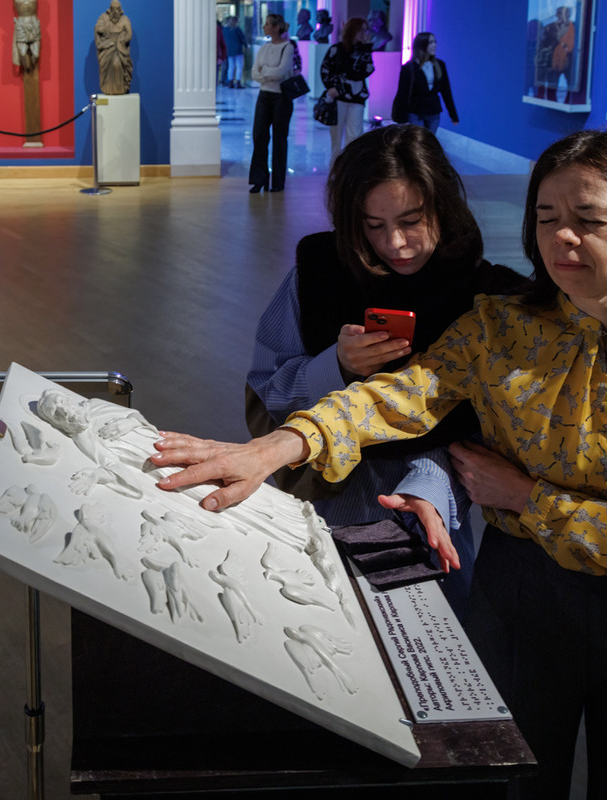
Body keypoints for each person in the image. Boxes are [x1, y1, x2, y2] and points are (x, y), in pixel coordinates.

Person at [153, 129, 607, 799]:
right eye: (546, 218)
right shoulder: (500, 326)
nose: (562, 238)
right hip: (518, 593)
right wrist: (271, 448)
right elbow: (397, 398)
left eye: (589, 219)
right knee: (505, 777)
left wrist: (528, 499)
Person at [246, 124, 528, 612]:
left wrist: (429, 484)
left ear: (444, 205)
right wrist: (334, 366)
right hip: (319, 509)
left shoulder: (488, 298)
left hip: (427, 522)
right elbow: (264, 390)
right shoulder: (319, 273)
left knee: (417, 644)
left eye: (412, 220)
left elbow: (488, 434)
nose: (395, 243)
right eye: (373, 226)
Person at [248, 14, 297, 194]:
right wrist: (267, 74)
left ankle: (278, 181)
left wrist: (265, 72)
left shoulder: (287, 47)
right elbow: (254, 72)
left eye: (267, 24)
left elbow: (281, 71)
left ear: (276, 28)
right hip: (264, 95)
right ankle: (259, 179)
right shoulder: (264, 48)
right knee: (259, 136)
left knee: (279, 139)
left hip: (281, 98)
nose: (264, 26)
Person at [321, 18, 374, 164]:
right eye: (361, 30)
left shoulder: (364, 51)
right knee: (336, 137)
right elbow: (326, 69)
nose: (364, 34)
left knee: (354, 135)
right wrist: (331, 87)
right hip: (338, 97)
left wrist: (367, 50)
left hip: (357, 97)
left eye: (365, 30)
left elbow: (366, 70)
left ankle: (350, 168)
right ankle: (335, 168)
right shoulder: (337, 49)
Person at [392, 32, 458, 132]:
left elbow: (446, 91)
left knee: (429, 139)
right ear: (422, 45)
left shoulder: (440, 65)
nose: (434, 45)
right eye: (431, 42)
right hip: (415, 112)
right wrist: (401, 118)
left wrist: (453, 114)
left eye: (435, 42)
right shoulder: (409, 68)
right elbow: (402, 93)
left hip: (433, 111)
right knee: (418, 139)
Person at [94, 0, 133, 95]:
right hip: (107, 46)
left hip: (119, 47)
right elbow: (97, 29)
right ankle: (107, 88)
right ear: (110, 10)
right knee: (106, 68)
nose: (115, 12)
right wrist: (105, 29)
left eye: (117, 9)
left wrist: (122, 40)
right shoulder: (103, 18)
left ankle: (120, 89)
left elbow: (129, 34)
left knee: (117, 64)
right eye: (113, 9)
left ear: (120, 10)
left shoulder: (125, 19)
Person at [223, 16, 247, 88]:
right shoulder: (237, 29)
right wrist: (246, 45)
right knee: (239, 66)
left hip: (229, 50)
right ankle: (238, 83)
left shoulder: (225, 29)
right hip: (238, 49)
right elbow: (242, 38)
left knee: (231, 66)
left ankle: (230, 82)